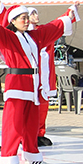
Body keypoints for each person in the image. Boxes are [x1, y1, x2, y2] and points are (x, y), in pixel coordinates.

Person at [0, 0, 78, 164]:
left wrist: (68, 15)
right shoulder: (9, 37)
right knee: (14, 124)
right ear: (13, 21)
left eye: (28, 17)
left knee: (31, 124)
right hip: (17, 85)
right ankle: (8, 159)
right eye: (23, 18)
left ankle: (32, 156)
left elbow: (54, 27)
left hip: (33, 86)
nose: (27, 21)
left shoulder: (35, 36)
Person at [29, 8, 57, 147]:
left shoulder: (43, 31)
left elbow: (58, 27)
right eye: (32, 14)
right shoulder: (23, 35)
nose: (36, 15)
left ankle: (40, 133)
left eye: (36, 13)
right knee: (30, 107)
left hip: (44, 74)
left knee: (43, 105)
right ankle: (28, 134)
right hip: (30, 75)